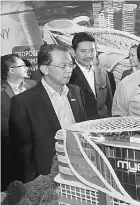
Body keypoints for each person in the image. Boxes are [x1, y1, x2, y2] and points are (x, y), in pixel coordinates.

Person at [9, 44, 87, 183]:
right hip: (46, 176)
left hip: (80, 170)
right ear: (45, 69)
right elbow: (23, 152)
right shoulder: (23, 102)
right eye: (63, 66)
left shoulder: (76, 92)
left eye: (71, 65)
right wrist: (32, 186)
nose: (69, 70)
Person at [1, 54, 36, 190]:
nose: (27, 68)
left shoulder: (33, 85)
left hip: (33, 142)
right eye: (22, 65)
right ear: (12, 70)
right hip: (9, 145)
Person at [70, 32, 113, 120]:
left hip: (104, 124)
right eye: (83, 51)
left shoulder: (102, 73)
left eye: (92, 50)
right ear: (73, 51)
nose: (88, 55)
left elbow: (109, 102)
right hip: (82, 126)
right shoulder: (69, 75)